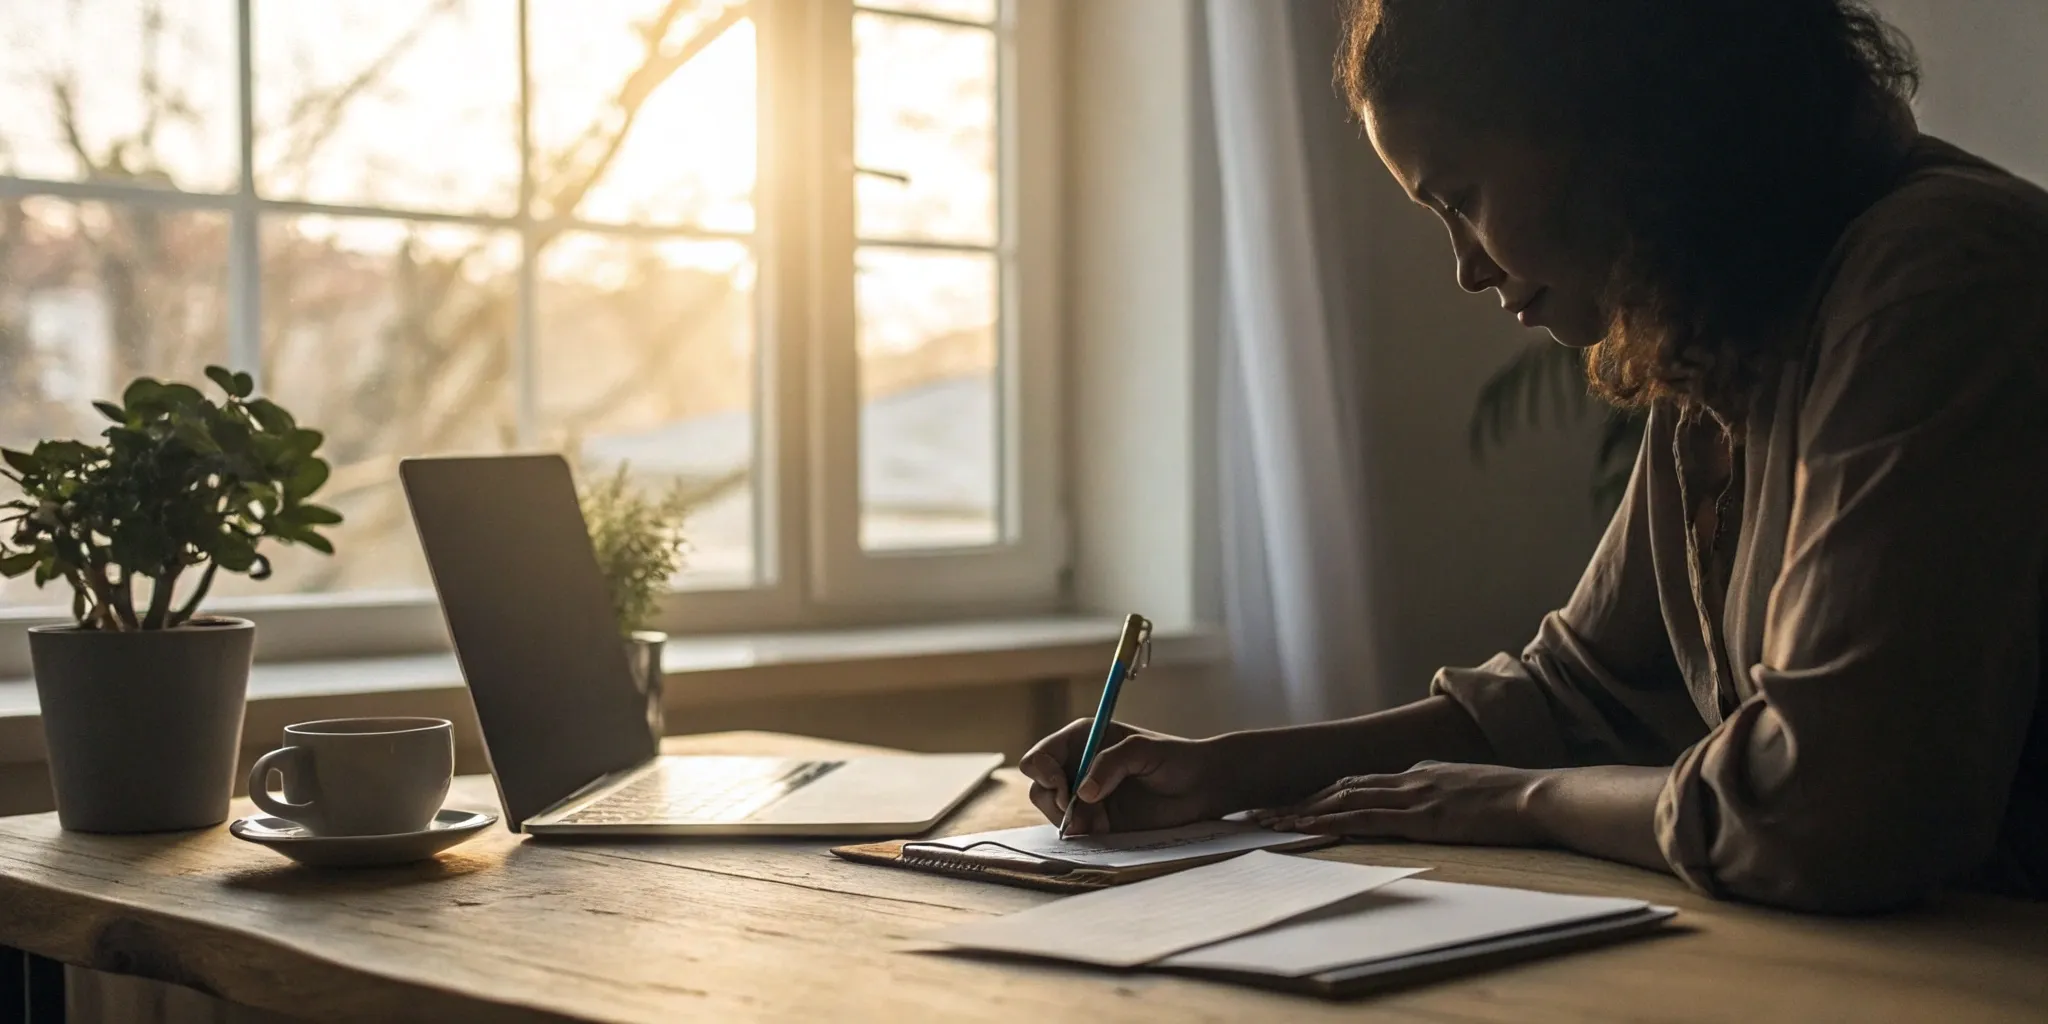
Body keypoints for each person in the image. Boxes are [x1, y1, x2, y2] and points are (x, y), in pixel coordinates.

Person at [1021, 0, 2048, 914]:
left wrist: (1524, 802)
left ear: (1605, 124)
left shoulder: (1941, 278)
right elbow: (1575, 693)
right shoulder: (1728, 307)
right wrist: (1227, 771)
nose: (1466, 269)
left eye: (1459, 197)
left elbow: (1827, 805)